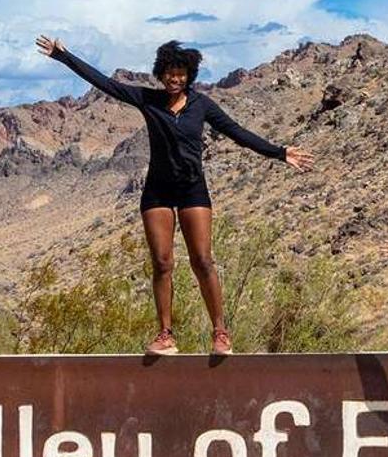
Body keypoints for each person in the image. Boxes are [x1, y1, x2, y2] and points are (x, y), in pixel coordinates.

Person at [36, 36, 314, 355]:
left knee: (203, 260)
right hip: (157, 191)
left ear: (189, 75)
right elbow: (105, 83)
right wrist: (63, 56)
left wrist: (279, 152)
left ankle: (220, 332)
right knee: (162, 262)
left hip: (193, 190)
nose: (174, 78)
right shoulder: (148, 100)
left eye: (181, 73)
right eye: (169, 72)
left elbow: (238, 133)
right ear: (161, 73)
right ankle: (165, 335)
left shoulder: (202, 105)